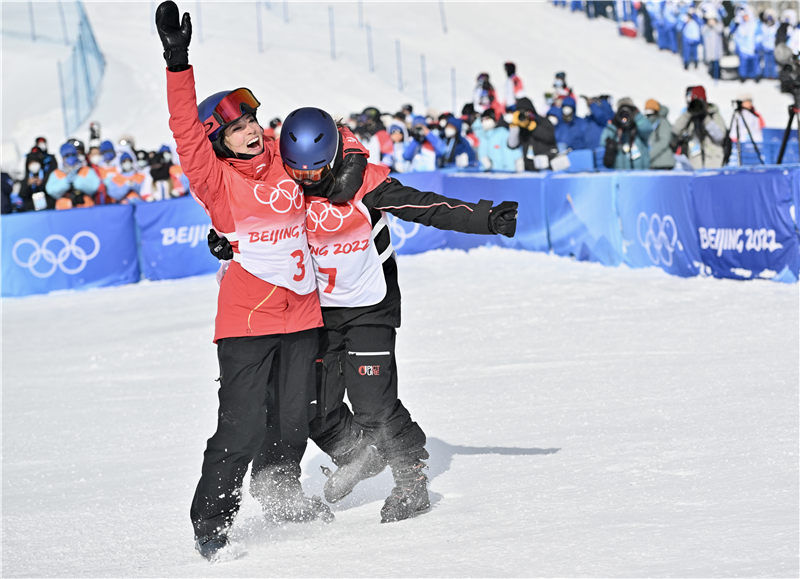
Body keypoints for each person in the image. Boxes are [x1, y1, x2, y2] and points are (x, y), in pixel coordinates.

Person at [224, 106, 518, 524]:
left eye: (315, 170)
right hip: (318, 311)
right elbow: (239, 196)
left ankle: (410, 475)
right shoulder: (278, 180)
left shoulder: (365, 181)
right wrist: (222, 240)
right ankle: (359, 452)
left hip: (370, 307)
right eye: (298, 171)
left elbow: (427, 206)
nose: (306, 179)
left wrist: (486, 217)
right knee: (311, 401)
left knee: (373, 403)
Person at [155, 0, 332, 561]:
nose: (251, 132)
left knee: (291, 418)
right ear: (220, 143)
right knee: (241, 429)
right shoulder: (216, 182)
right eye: (236, 129)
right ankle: (212, 526)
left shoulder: (286, 162)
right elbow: (184, 129)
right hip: (247, 320)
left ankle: (279, 492)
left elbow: (329, 138)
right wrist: (177, 63)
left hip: (303, 311)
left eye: (252, 121)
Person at [671, 85, 727, 169]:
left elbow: (719, 136)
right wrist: (688, 113)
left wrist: (706, 118)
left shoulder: (713, 114)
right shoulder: (689, 116)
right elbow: (675, 130)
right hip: (695, 163)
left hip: (713, 163)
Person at [599, 97, 653, 170]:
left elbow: (647, 130)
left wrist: (637, 115)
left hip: (640, 172)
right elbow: (603, 142)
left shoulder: (638, 127)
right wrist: (614, 124)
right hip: (621, 173)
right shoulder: (616, 128)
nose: (625, 116)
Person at [507, 97, 558, 171]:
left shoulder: (543, 121)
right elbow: (512, 145)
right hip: (529, 168)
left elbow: (550, 138)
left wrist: (534, 128)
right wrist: (514, 127)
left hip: (546, 166)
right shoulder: (521, 127)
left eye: (526, 112)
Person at [44, 141, 99, 209]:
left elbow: (93, 187)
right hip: (64, 210)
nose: (70, 158)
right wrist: (66, 182)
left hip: (86, 208)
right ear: (62, 158)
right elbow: (51, 190)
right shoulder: (56, 173)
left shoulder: (86, 170)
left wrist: (78, 181)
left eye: (73, 155)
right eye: (67, 156)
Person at [643, 98, 676, 170]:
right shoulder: (647, 124)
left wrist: (648, 156)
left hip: (664, 164)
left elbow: (664, 142)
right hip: (653, 164)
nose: (648, 113)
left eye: (650, 110)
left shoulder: (662, 122)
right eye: (647, 110)